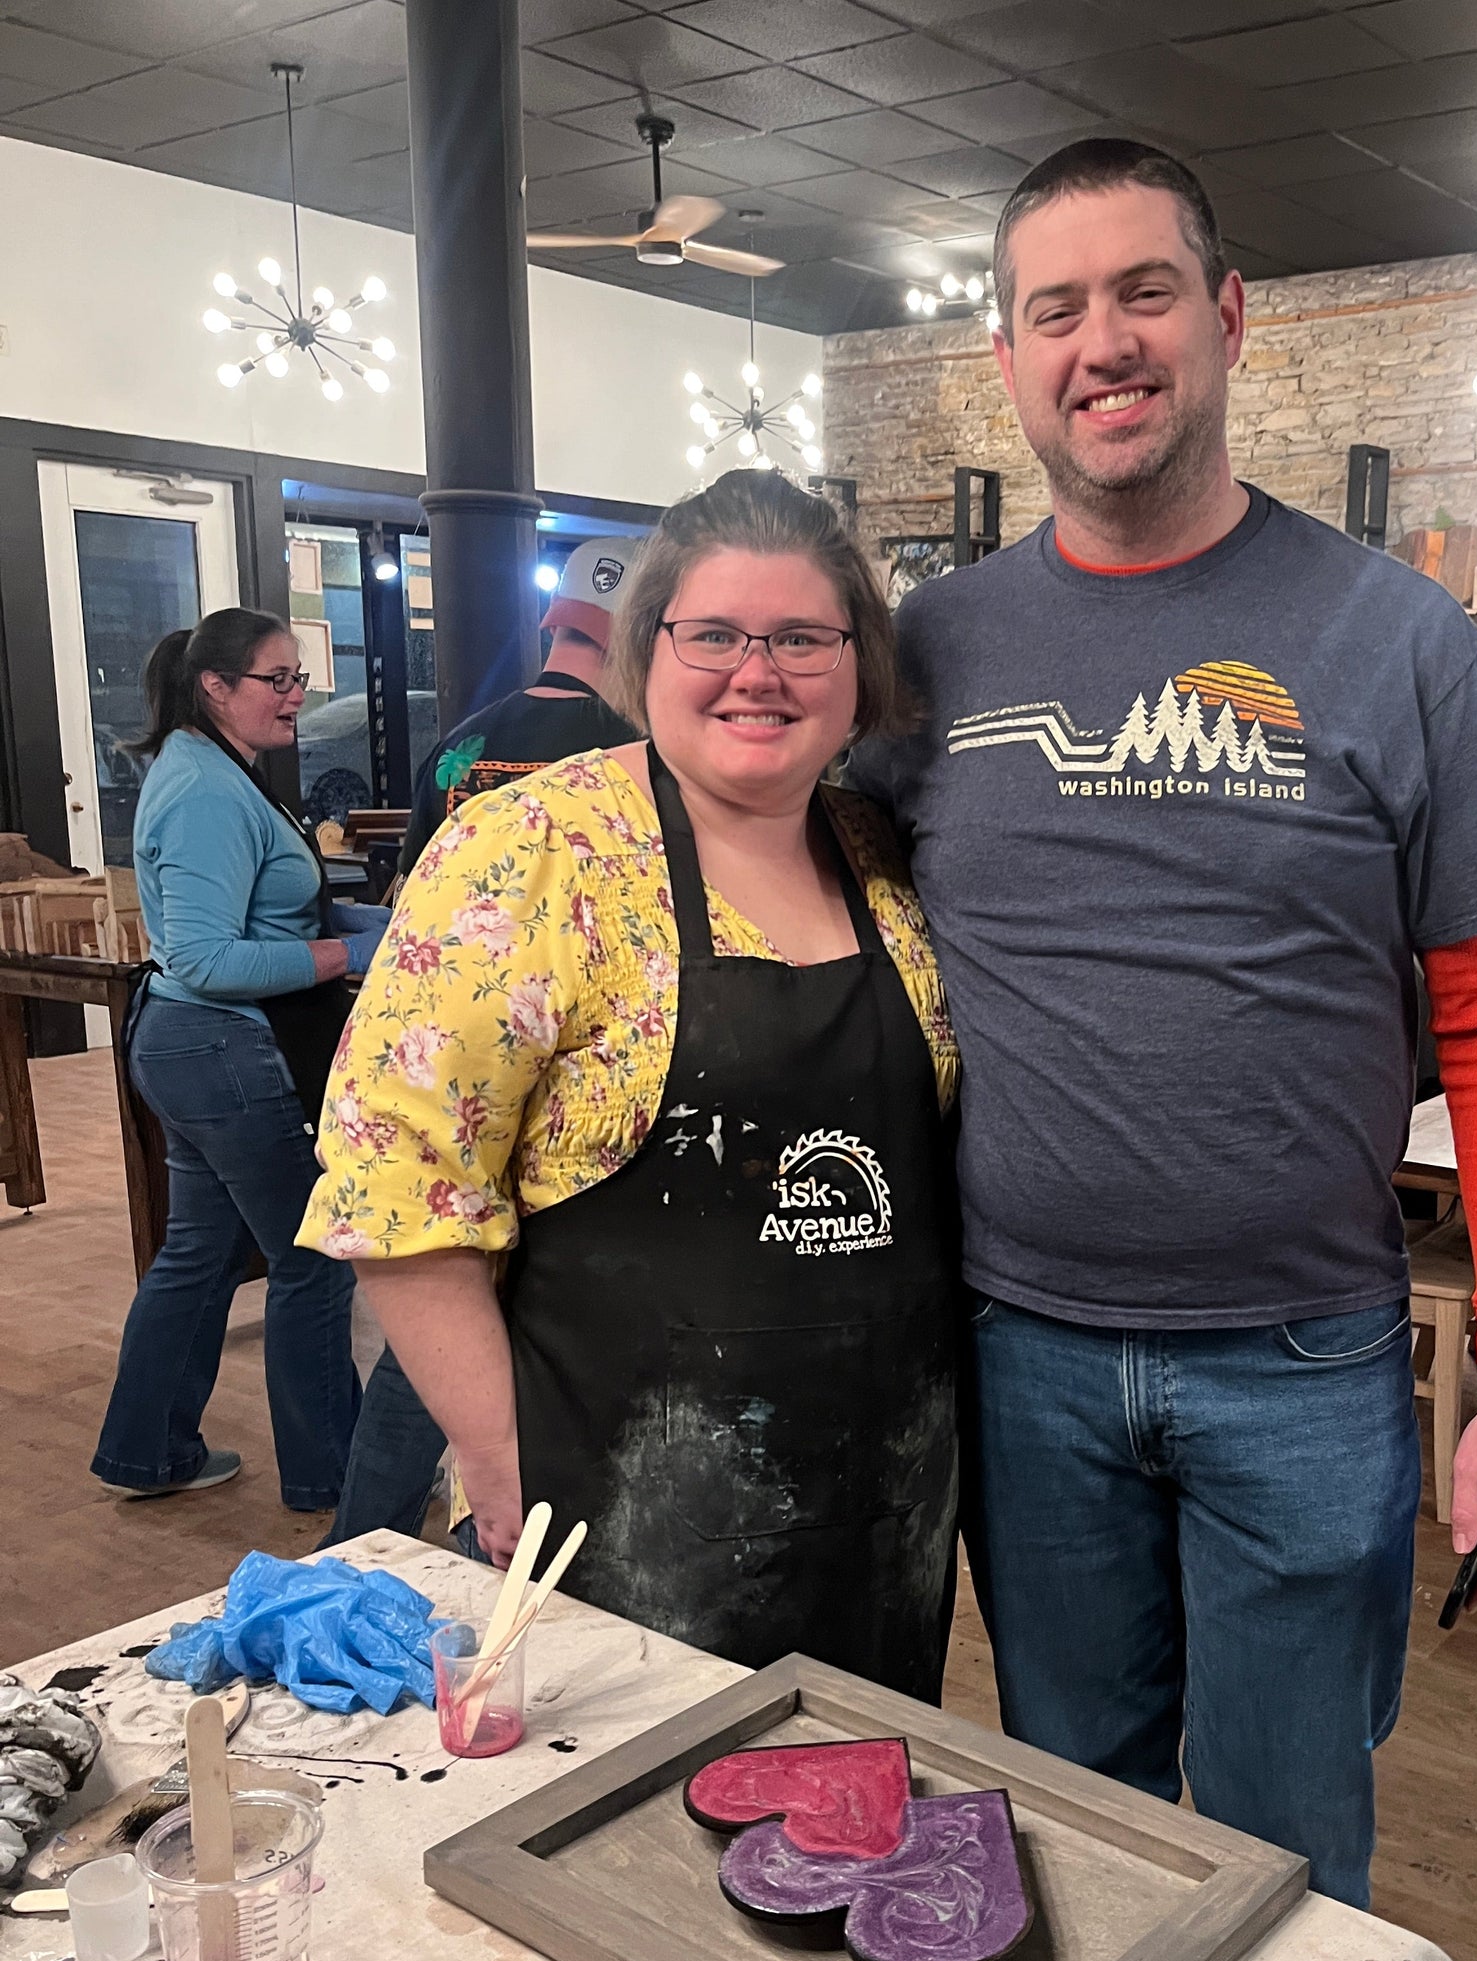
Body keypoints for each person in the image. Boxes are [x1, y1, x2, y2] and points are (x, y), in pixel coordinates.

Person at [848, 139, 1477, 1907]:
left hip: (1308, 1358)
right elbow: (813, 926)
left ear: (1230, 318)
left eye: (1144, 291)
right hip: (1021, 1352)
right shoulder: (927, 652)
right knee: (1068, 1822)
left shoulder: (1396, 638)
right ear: (1009, 359)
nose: (1104, 342)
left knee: (1287, 1848)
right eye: (1055, 309)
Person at [298, 472, 961, 1696]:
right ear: (644, 649)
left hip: (879, 1518)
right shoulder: (529, 853)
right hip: (609, 1518)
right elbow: (398, 1197)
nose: (755, 672)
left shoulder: (883, 855)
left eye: (803, 638)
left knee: (844, 1838)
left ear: (858, 666)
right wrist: (498, 1465)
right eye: (711, 634)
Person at [323, 537, 644, 1549]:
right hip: (572, 1091)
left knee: (428, 1313)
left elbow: (416, 908)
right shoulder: (629, 753)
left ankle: (358, 1542)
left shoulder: (458, 747)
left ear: (553, 627)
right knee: (489, 1315)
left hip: (443, 1065)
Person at [91, 610, 385, 1507]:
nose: (299, 696)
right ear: (216, 687)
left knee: (201, 1251)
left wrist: (358, 927)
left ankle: (148, 1451)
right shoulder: (208, 790)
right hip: (218, 1049)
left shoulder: (219, 771)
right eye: (279, 679)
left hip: (201, 1050)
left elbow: (258, 917)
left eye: (300, 677)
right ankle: (332, 1479)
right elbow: (205, 959)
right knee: (310, 1258)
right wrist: (350, 957)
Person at [395, 535, 642, 876]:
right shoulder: (639, 758)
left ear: (554, 619)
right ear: (643, 640)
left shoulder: (455, 750)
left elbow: (412, 896)